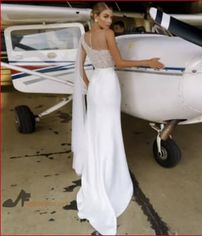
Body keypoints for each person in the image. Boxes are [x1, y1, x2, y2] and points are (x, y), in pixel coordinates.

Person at [72, 2, 164, 235]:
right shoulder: (109, 35)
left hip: (95, 86)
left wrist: (88, 83)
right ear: (95, 17)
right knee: (109, 130)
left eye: (111, 17)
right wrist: (149, 62)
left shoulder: (85, 37)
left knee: (98, 130)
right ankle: (110, 177)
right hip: (109, 84)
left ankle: (99, 174)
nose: (109, 21)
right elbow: (120, 63)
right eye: (105, 16)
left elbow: (80, 66)